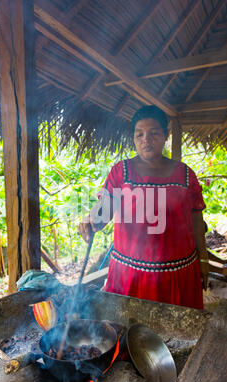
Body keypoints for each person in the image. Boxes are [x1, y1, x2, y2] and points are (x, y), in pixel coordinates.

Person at [78, 105, 209, 310]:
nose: (146, 139)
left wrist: (203, 261)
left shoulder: (185, 175)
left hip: (179, 274)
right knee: (128, 333)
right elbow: (105, 207)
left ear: (166, 134)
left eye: (154, 133)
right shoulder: (122, 172)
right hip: (130, 276)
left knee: (177, 337)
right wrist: (92, 219)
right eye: (139, 134)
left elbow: (196, 221)